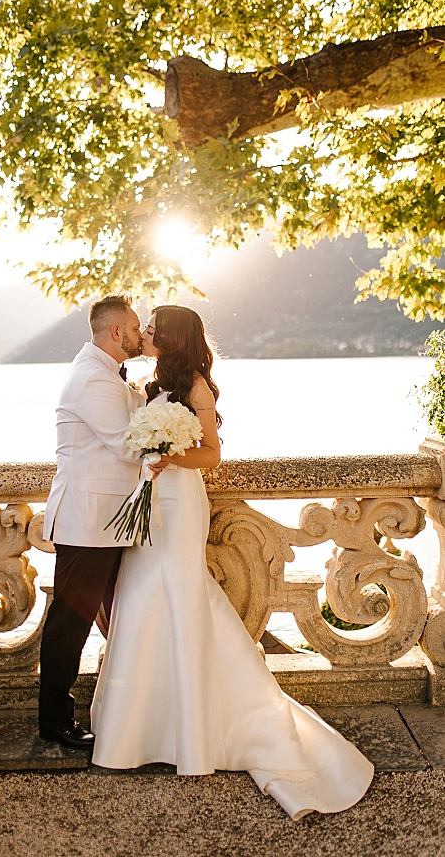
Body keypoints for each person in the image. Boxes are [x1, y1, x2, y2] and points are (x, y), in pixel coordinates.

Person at [90, 304, 374, 821]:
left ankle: (198, 735)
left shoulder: (195, 385)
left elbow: (212, 455)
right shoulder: (152, 382)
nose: (146, 332)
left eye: (153, 327)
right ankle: (137, 732)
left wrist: (171, 454)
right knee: (140, 597)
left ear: (173, 338)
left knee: (180, 594)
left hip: (179, 502)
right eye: (144, 326)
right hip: (151, 497)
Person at [39, 294, 151, 748]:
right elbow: (129, 447)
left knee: (108, 619)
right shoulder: (92, 380)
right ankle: (54, 723)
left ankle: (119, 709)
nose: (142, 334)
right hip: (89, 521)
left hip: (105, 520)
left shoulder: (106, 375)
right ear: (116, 332)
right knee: (71, 623)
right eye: (136, 326)